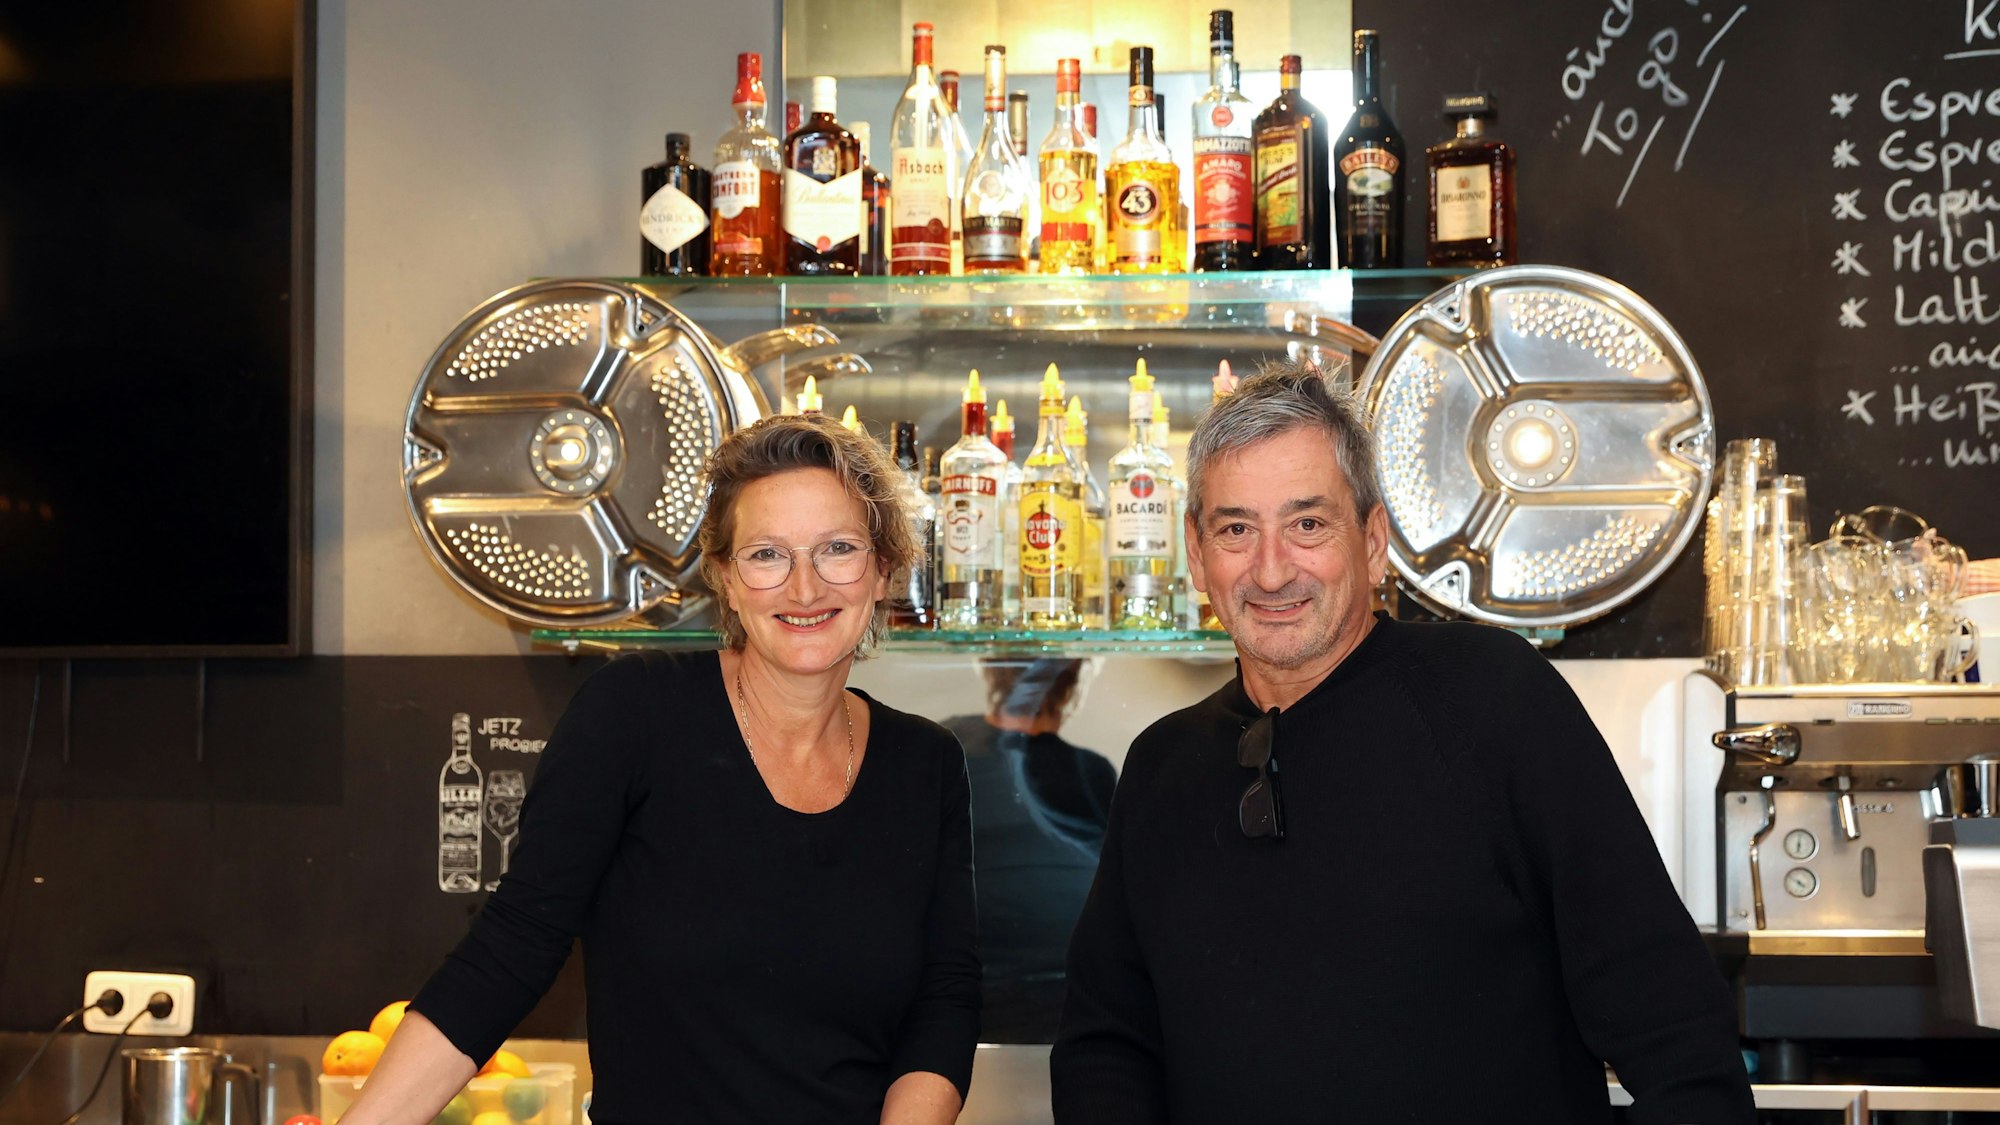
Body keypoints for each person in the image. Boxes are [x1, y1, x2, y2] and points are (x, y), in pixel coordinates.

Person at [1050, 362, 1754, 1124]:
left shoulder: (1493, 701)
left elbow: (1675, 1028)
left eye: (1308, 523)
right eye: (1235, 529)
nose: (1272, 567)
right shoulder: (1163, 767)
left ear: (1374, 540)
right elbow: (1105, 1042)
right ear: (1196, 553)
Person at [344, 414, 980, 1125]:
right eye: (768, 554)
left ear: (883, 570)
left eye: (838, 548)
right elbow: (511, 947)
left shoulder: (925, 765)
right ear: (725, 581)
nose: (805, 587)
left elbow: (943, 1000)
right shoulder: (636, 715)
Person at [943, 659, 1116, 1042]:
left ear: (989, 671)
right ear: (1072, 687)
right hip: (1058, 1003)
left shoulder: (948, 744)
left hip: (978, 1001)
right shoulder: (1091, 771)